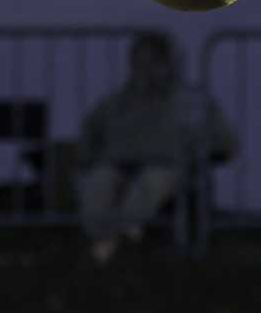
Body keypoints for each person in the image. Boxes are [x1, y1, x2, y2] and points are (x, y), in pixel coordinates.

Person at [77, 34, 234, 261]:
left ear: (166, 61)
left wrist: (200, 155)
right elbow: (88, 135)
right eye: (138, 60)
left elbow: (223, 139)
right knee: (99, 181)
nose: (145, 67)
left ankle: (117, 242)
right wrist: (90, 159)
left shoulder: (189, 101)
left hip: (167, 165)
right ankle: (96, 239)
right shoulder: (116, 103)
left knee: (151, 181)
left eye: (151, 59)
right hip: (118, 164)